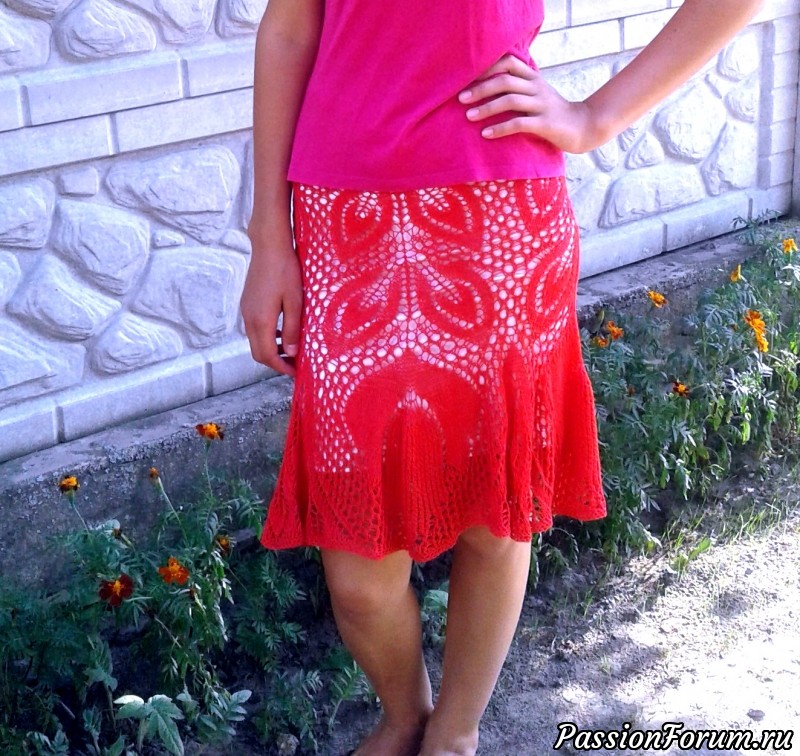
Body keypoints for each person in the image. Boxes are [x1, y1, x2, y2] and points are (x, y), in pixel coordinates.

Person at [239, 1, 764, 754]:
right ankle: (404, 715)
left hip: (498, 215)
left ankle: (454, 733)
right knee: (358, 573)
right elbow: (291, 28)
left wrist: (594, 118)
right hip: (342, 222)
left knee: (495, 510)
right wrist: (269, 234)